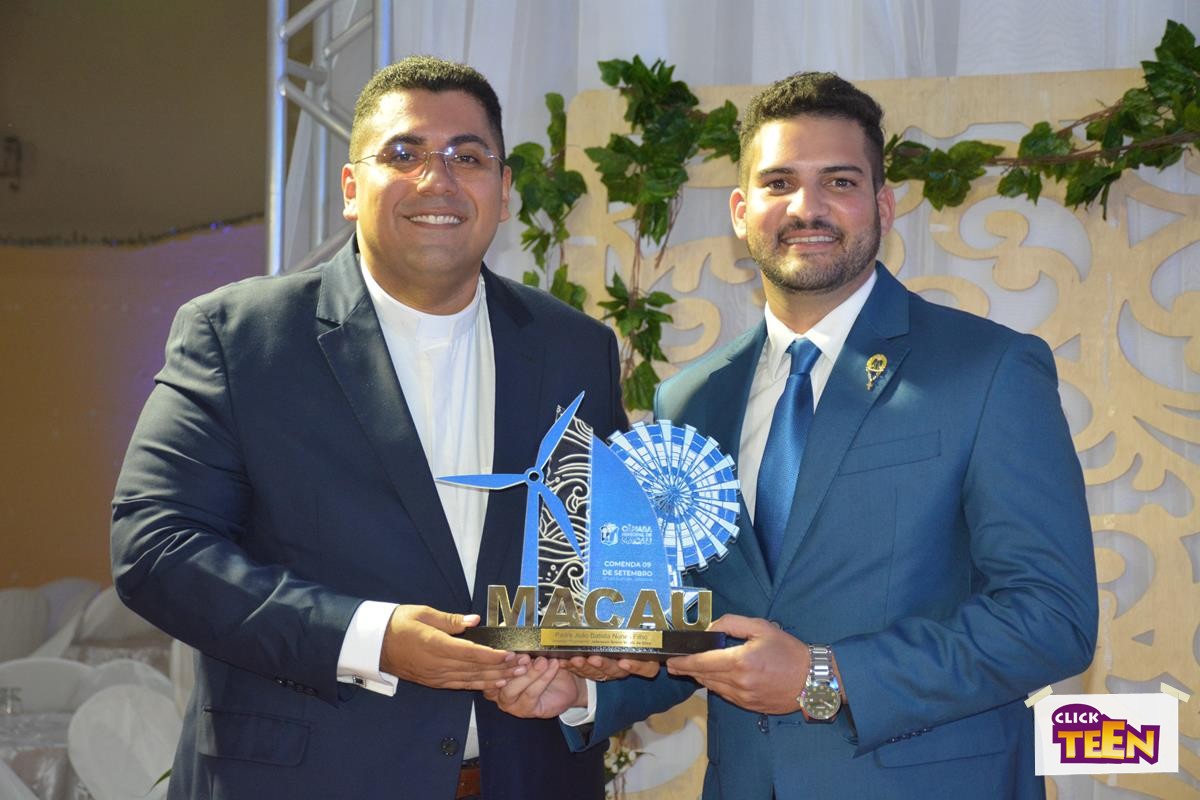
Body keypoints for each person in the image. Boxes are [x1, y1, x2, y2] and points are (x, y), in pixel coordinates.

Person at [490, 71, 1099, 799]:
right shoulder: (694, 398)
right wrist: (587, 693)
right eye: (779, 183)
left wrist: (825, 677)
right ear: (741, 212)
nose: (806, 207)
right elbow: (705, 624)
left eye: (838, 182)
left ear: (883, 205)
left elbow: (1050, 618)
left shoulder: (990, 369)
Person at [110, 56, 624, 799]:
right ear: (352, 188)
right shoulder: (238, 335)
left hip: (527, 774)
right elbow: (156, 549)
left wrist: (596, 665)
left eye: (468, 157)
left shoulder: (575, 347)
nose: (437, 180)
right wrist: (370, 638)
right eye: (404, 153)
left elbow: (605, 554)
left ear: (504, 191)